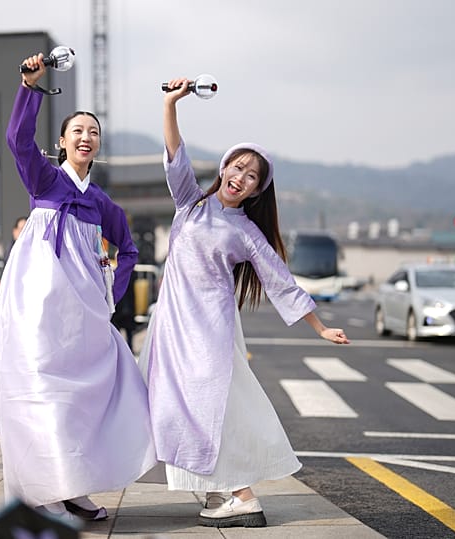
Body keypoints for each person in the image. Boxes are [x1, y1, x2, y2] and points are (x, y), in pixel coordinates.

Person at [138, 78, 350, 528]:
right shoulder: (189, 204)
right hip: (172, 327)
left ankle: (243, 497)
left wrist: (319, 327)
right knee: (177, 405)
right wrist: (170, 103)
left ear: (256, 191)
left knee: (211, 407)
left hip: (207, 330)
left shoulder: (246, 232)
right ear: (224, 167)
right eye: (238, 167)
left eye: (251, 176)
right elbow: (175, 151)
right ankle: (222, 491)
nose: (241, 178)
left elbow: (281, 281)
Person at [0, 52, 156, 523]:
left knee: (89, 397)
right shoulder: (44, 180)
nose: (86, 137)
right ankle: (44, 496)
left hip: (84, 315)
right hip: (38, 310)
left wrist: (111, 296)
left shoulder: (103, 202)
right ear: (62, 143)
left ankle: (75, 488)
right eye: (77, 131)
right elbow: (17, 139)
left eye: (93, 132)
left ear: (98, 146)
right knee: (42, 393)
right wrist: (30, 87)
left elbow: (128, 251)